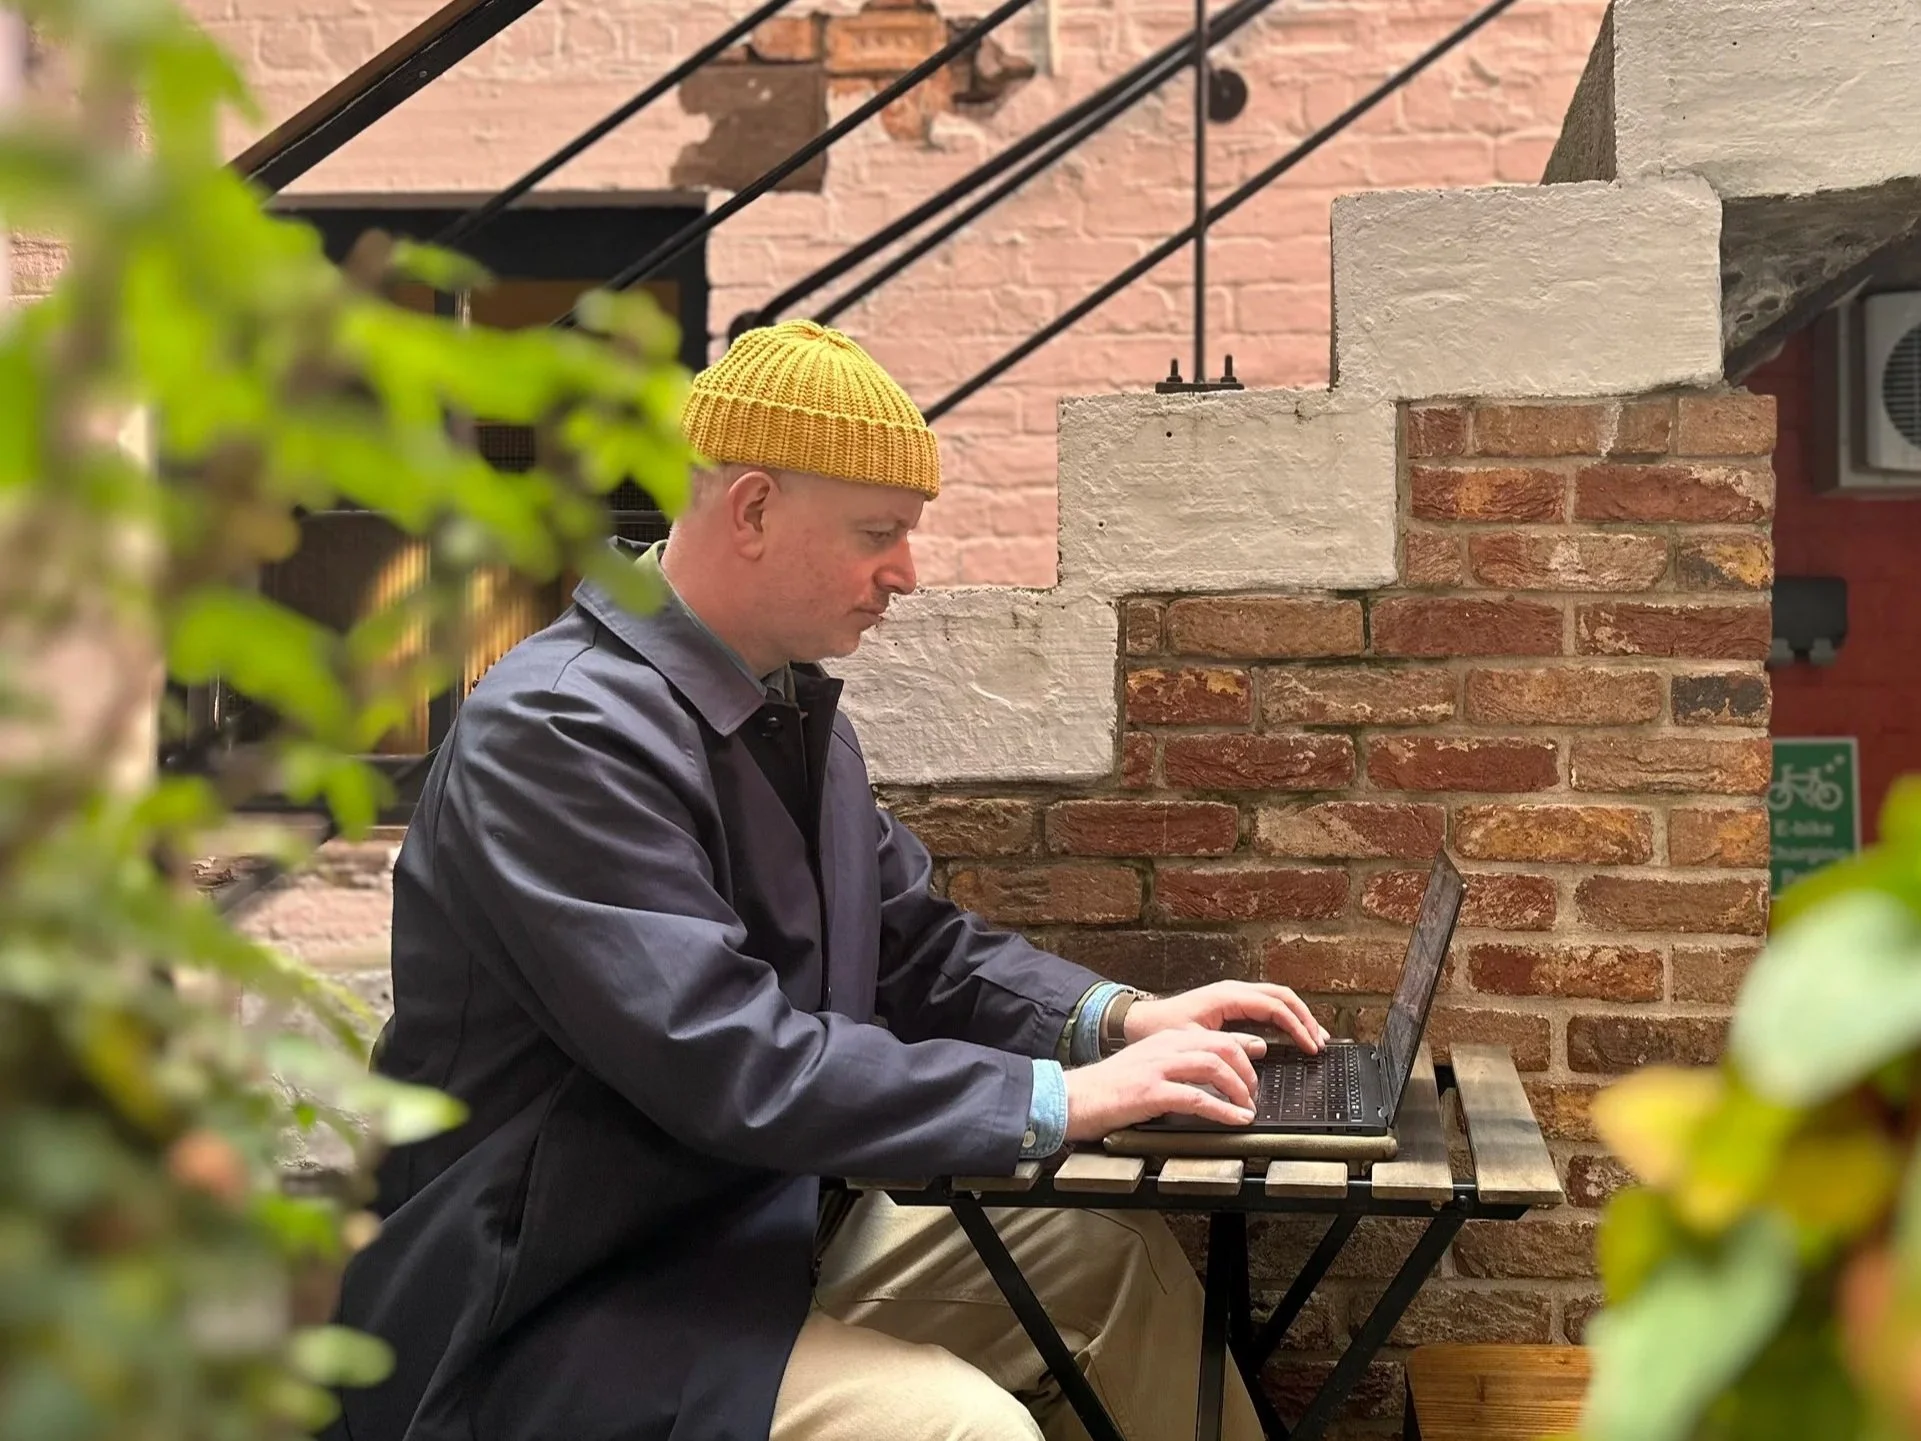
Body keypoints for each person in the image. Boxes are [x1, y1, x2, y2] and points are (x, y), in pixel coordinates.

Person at [329, 320, 1331, 1441]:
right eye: (877, 532)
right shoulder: (561, 731)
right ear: (751, 508)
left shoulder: (783, 707)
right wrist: (1055, 1103)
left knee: (1107, 1262)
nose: (905, 571)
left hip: (752, 1231)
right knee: (961, 1429)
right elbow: (726, 1055)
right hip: (552, 1308)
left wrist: (1117, 1020)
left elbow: (912, 944)